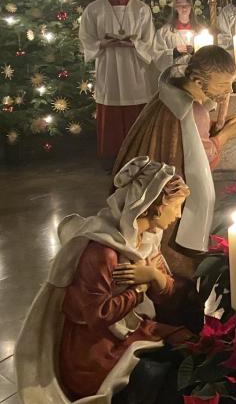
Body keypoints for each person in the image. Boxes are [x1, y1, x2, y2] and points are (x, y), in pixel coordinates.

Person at [16, 157, 193, 403]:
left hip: (128, 328)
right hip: (95, 351)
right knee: (157, 376)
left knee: (190, 343)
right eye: (177, 206)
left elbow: (170, 293)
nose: (179, 214)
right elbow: (97, 315)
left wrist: (153, 276)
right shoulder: (102, 252)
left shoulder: (147, 238)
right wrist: (139, 292)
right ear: (156, 205)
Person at [113, 46, 236, 282]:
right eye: (222, 85)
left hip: (144, 186)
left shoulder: (170, 92)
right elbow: (200, 160)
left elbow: (192, 140)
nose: (229, 91)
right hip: (167, 198)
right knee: (172, 255)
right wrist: (226, 135)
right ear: (196, 80)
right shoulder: (192, 111)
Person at [79, 0, 162, 162]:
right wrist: (102, 43)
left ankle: (139, 156)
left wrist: (134, 43)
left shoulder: (141, 9)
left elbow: (149, 41)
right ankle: (112, 158)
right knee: (111, 113)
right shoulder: (94, 9)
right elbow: (85, 39)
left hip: (135, 68)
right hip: (109, 68)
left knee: (136, 110)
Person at [154, 0, 200, 72]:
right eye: (179, 5)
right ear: (175, 8)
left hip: (195, 75)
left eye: (187, 5)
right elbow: (157, 55)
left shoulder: (200, 31)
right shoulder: (164, 32)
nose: (184, 7)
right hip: (173, 76)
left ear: (191, 7)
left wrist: (193, 51)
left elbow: (207, 54)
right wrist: (175, 52)